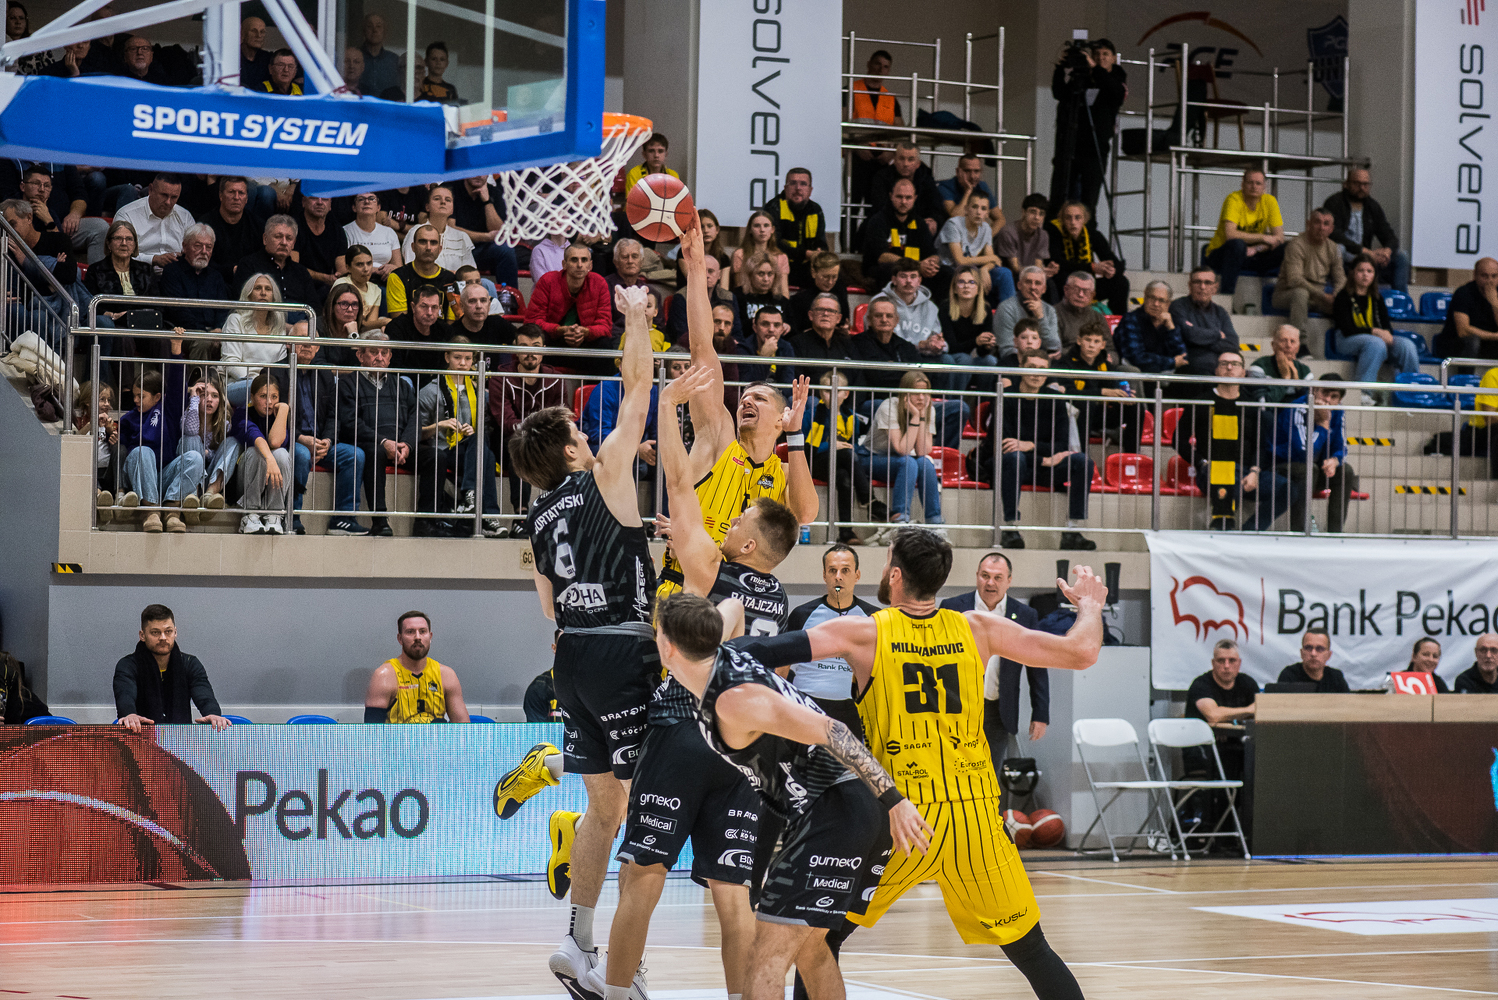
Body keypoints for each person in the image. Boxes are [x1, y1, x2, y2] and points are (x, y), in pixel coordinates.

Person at [736, 529, 1106, 1000]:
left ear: (895, 575)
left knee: (821, 941)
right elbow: (1082, 652)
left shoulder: (865, 631)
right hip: (975, 817)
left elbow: (761, 651)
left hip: (902, 816)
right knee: (1031, 949)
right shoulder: (979, 627)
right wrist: (1090, 606)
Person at [590, 366, 800, 1000]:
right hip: (748, 747)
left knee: (644, 872)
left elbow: (679, 482)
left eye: (739, 522)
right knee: (734, 894)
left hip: (686, 726)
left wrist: (669, 407)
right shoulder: (779, 597)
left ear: (749, 542)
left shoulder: (710, 566)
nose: (727, 523)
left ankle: (616, 992)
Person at [653, 592, 928, 1000]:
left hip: (835, 810)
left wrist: (895, 801)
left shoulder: (735, 699)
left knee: (764, 959)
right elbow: (733, 605)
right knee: (811, 951)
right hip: (838, 812)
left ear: (668, 647)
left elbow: (834, 731)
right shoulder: (720, 654)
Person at [501, 286, 657, 995]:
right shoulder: (604, 478)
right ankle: (627, 964)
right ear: (570, 448)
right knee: (649, 805)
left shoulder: (537, 516)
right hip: (624, 650)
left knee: (603, 807)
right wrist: (636, 318)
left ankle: (578, 939)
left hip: (573, 657)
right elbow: (638, 389)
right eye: (582, 437)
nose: (592, 441)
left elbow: (548, 606)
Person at [655, 216, 818, 601]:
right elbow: (701, 350)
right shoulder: (719, 438)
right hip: (683, 590)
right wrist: (697, 269)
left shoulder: (781, 473)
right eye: (746, 395)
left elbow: (806, 514)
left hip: (738, 600)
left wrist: (795, 436)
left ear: (780, 419)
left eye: (760, 398)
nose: (746, 400)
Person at [974, 351, 1097, 551]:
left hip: (1039, 465)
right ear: (1021, 369)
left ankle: (1072, 530)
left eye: (1042, 369)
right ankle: (1010, 528)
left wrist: (1030, 446)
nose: (1036, 374)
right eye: (1031, 367)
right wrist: (1044, 459)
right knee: (1015, 457)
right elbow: (1006, 445)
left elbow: (1061, 445)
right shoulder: (1007, 397)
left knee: (1083, 462)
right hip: (1007, 465)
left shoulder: (1056, 399)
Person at [939, 552, 1048, 779]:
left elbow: (1037, 668)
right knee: (953, 777)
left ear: (1009, 580)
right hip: (957, 709)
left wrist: (1040, 713)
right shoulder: (952, 608)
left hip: (998, 710)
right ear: (977, 576)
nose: (991, 583)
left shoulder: (1025, 615)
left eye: (998, 578)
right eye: (985, 576)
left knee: (989, 778)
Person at [406, 336, 504, 537]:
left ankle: (471, 498)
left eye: (467, 358)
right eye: (457, 357)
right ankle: (488, 516)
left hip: (470, 451)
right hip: (443, 451)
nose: (463, 363)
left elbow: (487, 430)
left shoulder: (481, 393)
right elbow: (414, 432)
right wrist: (439, 426)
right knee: (486, 454)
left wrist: (472, 433)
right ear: (447, 357)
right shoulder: (431, 391)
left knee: (482, 443)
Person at [784, 545, 881, 730]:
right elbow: (782, 668)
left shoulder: (874, 619)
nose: (838, 576)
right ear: (824, 575)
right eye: (832, 570)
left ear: (857, 575)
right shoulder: (801, 614)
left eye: (845, 570)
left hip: (854, 709)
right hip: (807, 704)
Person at [1175, 350, 1274, 530]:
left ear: (1243, 372)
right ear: (1216, 371)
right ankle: (1223, 524)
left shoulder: (1251, 405)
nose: (1229, 367)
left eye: (1235, 364)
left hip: (1245, 471)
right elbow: (1178, 439)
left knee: (1288, 489)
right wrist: (1201, 462)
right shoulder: (1201, 402)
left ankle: (1249, 530)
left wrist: (1254, 471)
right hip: (1211, 470)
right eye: (1223, 364)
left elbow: (1260, 445)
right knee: (1223, 470)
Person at [330, 331, 415, 537]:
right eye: (374, 352)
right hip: (368, 442)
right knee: (374, 452)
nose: (380, 357)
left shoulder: (402, 385)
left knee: (435, 457)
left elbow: (415, 418)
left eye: (384, 352)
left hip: (400, 446)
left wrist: (406, 444)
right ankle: (379, 520)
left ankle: (428, 521)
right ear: (360, 356)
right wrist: (383, 442)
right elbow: (350, 423)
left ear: (390, 356)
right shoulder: (347, 384)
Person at [491, 324, 568, 534]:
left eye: (536, 346)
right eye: (524, 347)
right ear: (515, 349)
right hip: (506, 443)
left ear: (544, 349)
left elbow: (561, 418)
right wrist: (540, 428)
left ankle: (562, 518)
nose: (530, 353)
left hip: (545, 441)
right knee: (520, 446)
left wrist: (540, 432)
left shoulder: (556, 379)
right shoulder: (500, 378)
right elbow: (507, 423)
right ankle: (521, 517)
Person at [1264, 376, 1356, 534]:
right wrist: (1323, 426)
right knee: (1308, 469)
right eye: (1325, 393)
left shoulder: (1338, 411)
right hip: (1283, 467)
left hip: (1314, 468)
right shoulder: (1298, 408)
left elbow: (1341, 446)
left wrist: (1334, 460)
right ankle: (1300, 532)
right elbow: (1303, 452)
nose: (1327, 400)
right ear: (1314, 391)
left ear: (1339, 400)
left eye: (1334, 397)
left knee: (1345, 471)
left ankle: (1335, 534)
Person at [115, 605, 230, 731]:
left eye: (168, 631)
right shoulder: (127, 665)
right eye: (155, 632)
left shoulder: (190, 663)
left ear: (175, 632)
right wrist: (129, 714)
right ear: (142, 635)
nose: (163, 637)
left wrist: (212, 713)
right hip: (139, 736)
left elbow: (204, 695)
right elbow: (125, 695)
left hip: (181, 738)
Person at [858, 370, 943, 540]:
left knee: (925, 463)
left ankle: (936, 525)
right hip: (870, 458)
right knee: (908, 462)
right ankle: (899, 522)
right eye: (916, 393)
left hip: (899, 460)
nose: (921, 398)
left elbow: (923, 451)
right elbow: (902, 448)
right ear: (905, 393)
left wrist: (921, 416)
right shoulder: (889, 407)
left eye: (925, 393)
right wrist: (915, 417)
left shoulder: (928, 410)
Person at [1049, 38, 1126, 222]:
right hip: (1071, 146)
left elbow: (1115, 93)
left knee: (1088, 202)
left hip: (1094, 149)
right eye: (1096, 54)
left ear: (1114, 58)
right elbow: (1060, 93)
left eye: (1105, 54)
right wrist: (1060, 68)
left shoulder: (1116, 77)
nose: (1100, 58)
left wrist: (1095, 68)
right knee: (1060, 199)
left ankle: (1088, 234)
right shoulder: (1082, 78)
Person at [1331, 253, 1420, 402]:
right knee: (1376, 343)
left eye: (1369, 271)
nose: (1365, 275)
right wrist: (1374, 331)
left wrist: (1387, 335)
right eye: (1361, 270)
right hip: (1346, 340)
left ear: (1374, 275)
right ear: (1353, 273)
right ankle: (1363, 394)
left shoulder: (1377, 298)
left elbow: (1386, 327)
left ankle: (1411, 392)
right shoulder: (1343, 297)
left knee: (1407, 345)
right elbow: (1347, 329)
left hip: (1375, 340)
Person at [116, 362, 192, 533]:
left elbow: (177, 386)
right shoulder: (128, 419)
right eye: (134, 395)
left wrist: (176, 354)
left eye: (141, 396)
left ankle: (172, 510)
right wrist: (112, 436)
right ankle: (150, 511)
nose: (135, 400)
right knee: (143, 451)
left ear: (157, 397)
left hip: (163, 476)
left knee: (195, 458)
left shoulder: (168, 411)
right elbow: (121, 445)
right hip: (138, 476)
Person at [526, 241, 614, 377]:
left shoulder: (599, 283)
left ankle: (596, 390)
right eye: (574, 260)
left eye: (584, 260)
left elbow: (605, 326)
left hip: (585, 346)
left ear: (590, 265)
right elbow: (532, 322)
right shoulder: (548, 281)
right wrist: (560, 330)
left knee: (606, 345)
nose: (579, 265)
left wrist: (585, 332)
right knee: (535, 340)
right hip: (553, 346)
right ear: (564, 264)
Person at [365, 611, 472, 722]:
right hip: (399, 733)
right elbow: (372, 730)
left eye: (422, 631)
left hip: (436, 733)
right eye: (410, 632)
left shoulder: (446, 675)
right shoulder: (384, 676)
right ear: (400, 639)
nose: (417, 637)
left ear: (430, 636)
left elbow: (463, 726)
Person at [1056, 316, 1138, 451]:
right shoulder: (1065, 364)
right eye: (1087, 340)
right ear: (1079, 341)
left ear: (1103, 345)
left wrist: (1124, 396)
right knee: (1086, 404)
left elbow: (1113, 389)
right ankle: (1082, 456)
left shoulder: (1106, 366)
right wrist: (1102, 392)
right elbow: (1068, 393)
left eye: (1096, 341)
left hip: (1098, 415)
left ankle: (1132, 456)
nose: (1091, 345)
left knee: (1135, 407)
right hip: (1073, 414)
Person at [1323, 168, 1410, 294]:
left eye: (1365, 184)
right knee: (1339, 249)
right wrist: (1363, 251)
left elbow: (1389, 235)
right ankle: (1340, 293)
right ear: (1346, 184)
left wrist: (1387, 250)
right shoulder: (1334, 202)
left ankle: (1400, 298)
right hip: (1347, 254)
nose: (1361, 188)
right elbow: (1334, 234)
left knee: (1402, 257)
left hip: (1366, 256)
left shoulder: (1373, 206)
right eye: (1357, 183)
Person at [1203, 168, 1285, 294]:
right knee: (1238, 244)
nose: (1254, 187)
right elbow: (1231, 235)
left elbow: (1279, 238)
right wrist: (1263, 237)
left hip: (1252, 254)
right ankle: (1227, 296)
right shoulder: (1233, 199)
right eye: (1250, 182)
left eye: (1258, 183)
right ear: (1242, 184)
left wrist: (1257, 248)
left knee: (1288, 247)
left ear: (1264, 186)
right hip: (1221, 254)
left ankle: (1279, 292)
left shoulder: (1270, 201)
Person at [231, 370, 293, 535]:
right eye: (263, 396)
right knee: (255, 452)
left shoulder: (279, 416)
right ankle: (249, 514)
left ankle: (274, 514)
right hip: (246, 480)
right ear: (252, 398)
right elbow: (254, 436)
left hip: (271, 482)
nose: (269, 402)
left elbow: (275, 442)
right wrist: (269, 459)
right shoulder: (242, 414)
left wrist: (284, 410)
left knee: (281, 454)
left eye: (274, 397)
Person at [1272, 208, 1345, 336]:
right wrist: (1323, 296)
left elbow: (1341, 278)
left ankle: (1346, 339)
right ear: (1308, 224)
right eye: (1317, 222)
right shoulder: (1296, 245)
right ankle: (1299, 341)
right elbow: (1295, 280)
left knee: (1348, 299)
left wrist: (1337, 296)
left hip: (1317, 298)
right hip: (1287, 294)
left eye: (1326, 224)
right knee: (1301, 294)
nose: (1321, 227)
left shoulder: (1334, 247)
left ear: (1331, 229)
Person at [221, 273, 291, 406]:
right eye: (258, 288)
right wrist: (260, 382)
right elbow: (231, 362)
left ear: (273, 297)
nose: (263, 293)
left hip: (271, 386)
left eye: (268, 289)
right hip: (240, 384)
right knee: (262, 390)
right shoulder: (235, 320)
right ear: (248, 295)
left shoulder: (279, 328)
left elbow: (280, 366)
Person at [875, 258, 949, 381]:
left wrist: (936, 344)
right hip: (892, 356)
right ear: (894, 280)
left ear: (919, 280)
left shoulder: (930, 307)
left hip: (923, 356)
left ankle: (943, 395)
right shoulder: (880, 302)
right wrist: (919, 346)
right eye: (903, 276)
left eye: (913, 276)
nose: (908, 281)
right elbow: (876, 341)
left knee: (947, 360)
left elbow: (937, 339)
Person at [1047, 201, 1126, 314]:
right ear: (1062, 220)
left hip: (1089, 285)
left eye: (1077, 218)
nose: (1073, 222)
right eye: (1068, 218)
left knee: (1121, 282)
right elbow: (1058, 263)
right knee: (1059, 278)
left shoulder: (1093, 234)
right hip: (1067, 285)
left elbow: (1115, 262)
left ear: (1085, 219)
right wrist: (1092, 267)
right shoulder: (1055, 233)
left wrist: (1112, 270)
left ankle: (1117, 322)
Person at [860, 177, 940, 288]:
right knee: (889, 269)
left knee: (945, 273)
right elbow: (882, 257)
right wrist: (917, 265)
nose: (903, 202)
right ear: (891, 196)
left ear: (915, 198)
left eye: (908, 197)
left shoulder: (919, 222)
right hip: (883, 270)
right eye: (899, 197)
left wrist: (931, 263)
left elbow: (931, 253)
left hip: (915, 269)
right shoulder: (878, 221)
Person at [233, 214, 318, 308]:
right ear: (265, 239)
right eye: (278, 237)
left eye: (289, 238)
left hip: (299, 317)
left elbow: (314, 306)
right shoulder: (248, 265)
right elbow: (242, 302)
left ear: (293, 244)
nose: (284, 243)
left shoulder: (301, 272)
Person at [938, 191, 1011, 300]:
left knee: (1004, 273)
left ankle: (1007, 309)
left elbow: (991, 260)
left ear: (987, 214)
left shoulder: (986, 228)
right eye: (974, 207)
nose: (978, 212)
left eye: (983, 209)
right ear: (966, 209)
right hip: (949, 270)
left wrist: (985, 269)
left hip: (972, 269)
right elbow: (960, 260)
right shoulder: (953, 224)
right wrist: (992, 258)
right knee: (960, 276)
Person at [449, 175, 518, 287]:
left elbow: (498, 232)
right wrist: (486, 237)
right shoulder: (452, 190)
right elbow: (450, 229)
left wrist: (487, 201)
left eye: (482, 172)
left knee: (505, 250)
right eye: (474, 171)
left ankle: (508, 294)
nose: (479, 175)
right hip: (455, 250)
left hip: (482, 251)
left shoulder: (494, 192)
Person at [763, 167, 828, 286]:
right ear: (785, 188)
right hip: (778, 265)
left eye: (803, 184)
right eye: (793, 183)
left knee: (834, 279)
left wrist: (820, 252)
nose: (798, 188)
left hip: (807, 266)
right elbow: (773, 244)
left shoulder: (815, 209)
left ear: (810, 190)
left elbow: (821, 241)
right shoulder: (773, 208)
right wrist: (806, 254)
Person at [1170, 266, 1241, 374]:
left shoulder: (1220, 312)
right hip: (1190, 370)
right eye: (1197, 282)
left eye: (1207, 283)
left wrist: (1198, 343)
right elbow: (1189, 335)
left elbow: (1233, 343)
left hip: (1218, 371)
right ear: (1190, 285)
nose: (1202, 287)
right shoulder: (1178, 306)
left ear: (1215, 287)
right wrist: (1217, 335)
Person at [160, 224, 229, 332]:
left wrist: (218, 328)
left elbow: (223, 309)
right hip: (184, 332)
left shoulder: (216, 277)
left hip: (215, 333)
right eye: (198, 246)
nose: (204, 251)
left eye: (208, 247)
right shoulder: (172, 271)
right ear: (185, 246)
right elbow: (177, 310)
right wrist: (203, 333)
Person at [114, 173, 193, 268]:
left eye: (174, 197)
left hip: (176, 273)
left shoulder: (185, 216)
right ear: (150, 190)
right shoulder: (127, 214)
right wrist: (153, 259)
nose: (168, 202)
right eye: (164, 195)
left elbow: (194, 251)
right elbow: (119, 253)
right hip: (138, 271)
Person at [940, 266, 998, 394]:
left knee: (990, 360)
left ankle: (983, 402)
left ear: (978, 289)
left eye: (972, 282)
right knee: (964, 358)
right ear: (955, 288)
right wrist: (976, 341)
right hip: (950, 356)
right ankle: (955, 401)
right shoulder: (945, 308)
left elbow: (982, 353)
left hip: (970, 358)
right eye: (961, 282)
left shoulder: (985, 309)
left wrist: (987, 346)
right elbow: (951, 347)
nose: (966, 286)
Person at [867, 141, 944, 235]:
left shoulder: (926, 179)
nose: (905, 164)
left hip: (919, 225)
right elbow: (880, 207)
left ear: (918, 163)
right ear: (895, 160)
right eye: (901, 158)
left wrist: (933, 219)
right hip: (887, 224)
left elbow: (936, 206)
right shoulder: (882, 177)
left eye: (910, 159)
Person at [667, 249, 741, 346]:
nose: (706, 275)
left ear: (719, 275)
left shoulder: (729, 297)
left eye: (711, 271)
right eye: (702, 271)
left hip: (722, 346)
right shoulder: (682, 297)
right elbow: (681, 333)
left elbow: (737, 334)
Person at [387, 223, 459, 319]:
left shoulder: (450, 279)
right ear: (413, 247)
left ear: (440, 249)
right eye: (423, 242)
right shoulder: (398, 277)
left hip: (442, 329)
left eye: (433, 243)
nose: (428, 248)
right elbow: (399, 323)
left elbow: (452, 322)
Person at [400, 186, 475, 276]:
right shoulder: (416, 232)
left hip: (458, 283)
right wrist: (447, 276)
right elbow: (412, 269)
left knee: (485, 282)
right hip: (424, 283)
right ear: (427, 207)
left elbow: (471, 273)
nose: (443, 202)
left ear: (452, 209)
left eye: (448, 200)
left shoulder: (462, 237)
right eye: (437, 199)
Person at [199, 177, 263, 283]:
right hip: (212, 281)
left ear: (247, 198)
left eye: (241, 193)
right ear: (221, 195)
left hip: (249, 282)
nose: (236, 197)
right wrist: (231, 270)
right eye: (231, 192)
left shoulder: (257, 225)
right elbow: (201, 261)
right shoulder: (205, 225)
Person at [1116, 280, 1186, 374]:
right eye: (1152, 298)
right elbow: (1136, 356)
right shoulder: (1131, 319)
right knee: (1151, 368)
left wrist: (1171, 329)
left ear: (1168, 304)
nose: (1156, 304)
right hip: (1137, 371)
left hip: (1164, 371)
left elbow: (1183, 356)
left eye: (1161, 300)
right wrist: (1171, 362)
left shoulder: (1170, 321)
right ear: (1145, 298)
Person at [1437, 256, 1498, 360]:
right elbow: (1463, 331)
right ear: (1475, 275)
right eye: (1484, 276)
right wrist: (1494, 336)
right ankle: (1466, 371)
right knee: (1472, 341)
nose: (1489, 281)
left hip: (1488, 345)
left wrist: (1495, 304)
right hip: (1459, 343)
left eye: (1494, 276)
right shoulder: (1463, 293)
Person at [386, 284, 452, 378]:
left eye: (434, 307)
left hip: (435, 383)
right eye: (424, 306)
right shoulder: (397, 327)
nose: (429, 312)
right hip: (404, 381)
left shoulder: (445, 330)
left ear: (439, 309)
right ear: (413, 307)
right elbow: (394, 366)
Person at [995, 266, 1062, 357]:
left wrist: (1041, 317)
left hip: (1043, 362)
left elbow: (1054, 347)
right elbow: (1007, 350)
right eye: (1028, 282)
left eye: (1037, 283)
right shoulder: (1006, 308)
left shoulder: (1049, 310)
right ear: (1019, 285)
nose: (1033, 287)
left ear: (1044, 289)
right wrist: (1034, 360)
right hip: (1015, 361)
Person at [995, 193, 1057, 285]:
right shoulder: (1008, 232)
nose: (1037, 217)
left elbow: (1038, 265)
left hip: (1029, 274)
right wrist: (1038, 272)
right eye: (1033, 212)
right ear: (1024, 212)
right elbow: (1016, 268)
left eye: (1041, 214)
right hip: (1010, 276)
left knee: (1050, 283)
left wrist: (1045, 271)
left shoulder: (1043, 235)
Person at [786, 251, 850, 335]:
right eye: (825, 276)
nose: (830, 282)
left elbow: (844, 321)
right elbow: (795, 331)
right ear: (813, 273)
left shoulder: (840, 290)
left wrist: (844, 329)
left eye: (834, 277)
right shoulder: (799, 300)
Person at [1053, 271, 1115, 358]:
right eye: (1076, 289)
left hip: (1096, 362)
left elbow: (1111, 350)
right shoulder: (1052, 314)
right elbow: (1054, 351)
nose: (1081, 295)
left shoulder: (1098, 317)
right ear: (1066, 290)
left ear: (1092, 295)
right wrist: (1085, 355)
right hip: (1067, 362)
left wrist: (1109, 358)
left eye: (1086, 291)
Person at [730, 210, 790, 297]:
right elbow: (739, 288)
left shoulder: (781, 257)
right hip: (747, 300)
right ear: (750, 230)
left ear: (772, 229)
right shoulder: (740, 255)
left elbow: (784, 291)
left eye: (766, 226)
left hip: (773, 301)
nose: (762, 230)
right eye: (757, 226)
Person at [343, 191, 403, 277]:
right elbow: (343, 268)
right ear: (354, 207)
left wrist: (392, 269)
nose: (367, 202)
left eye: (372, 199)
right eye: (361, 199)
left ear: (378, 207)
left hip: (385, 279)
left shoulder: (389, 232)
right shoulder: (345, 232)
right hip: (356, 280)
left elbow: (399, 267)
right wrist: (377, 271)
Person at [939, 152, 1005, 230]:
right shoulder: (945, 187)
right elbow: (955, 219)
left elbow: (1000, 219)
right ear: (958, 172)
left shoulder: (982, 186)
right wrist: (968, 191)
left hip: (973, 233)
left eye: (976, 171)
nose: (972, 176)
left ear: (981, 172)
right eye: (967, 171)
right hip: (950, 233)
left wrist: (988, 235)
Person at [1248, 324, 1311, 404]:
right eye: (1283, 340)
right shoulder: (1259, 366)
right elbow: (1262, 404)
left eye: (1292, 341)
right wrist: (1285, 380)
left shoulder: (1305, 371)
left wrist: (1298, 385)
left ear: (1298, 348)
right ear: (1273, 345)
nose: (1288, 345)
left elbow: (1309, 404)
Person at [736, 304, 797, 387]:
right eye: (765, 324)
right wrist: (764, 358)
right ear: (755, 327)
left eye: (776, 325)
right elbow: (747, 386)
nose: (771, 329)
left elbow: (787, 386)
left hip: (778, 394)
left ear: (782, 329)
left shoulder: (786, 348)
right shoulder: (743, 348)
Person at [295, 193, 348, 288]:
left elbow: (342, 268)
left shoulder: (337, 230)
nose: (320, 202)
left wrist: (339, 277)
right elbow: (293, 267)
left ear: (330, 205)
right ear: (303, 202)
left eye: (324, 199)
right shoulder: (293, 227)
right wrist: (324, 277)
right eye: (314, 198)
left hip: (328, 287)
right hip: (300, 284)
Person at [1277, 629, 1350, 692]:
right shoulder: (1289, 676)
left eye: (1319, 649)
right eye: (1308, 648)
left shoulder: (1336, 678)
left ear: (1329, 655)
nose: (1313, 654)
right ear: (1301, 653)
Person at [453, 279, 516, 347]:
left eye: (483, 301)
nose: (479, 306)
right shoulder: (452, 332)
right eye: (472, 301)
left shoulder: (498, 324)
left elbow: (521, 340)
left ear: (489, 305)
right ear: (462, 306)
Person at [359, 14, 400, 96]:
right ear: (364, 31)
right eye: (369, 26)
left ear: (384, 32)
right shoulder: (354, 58)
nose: (374, 30)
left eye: (378, 26)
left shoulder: (394, 60)